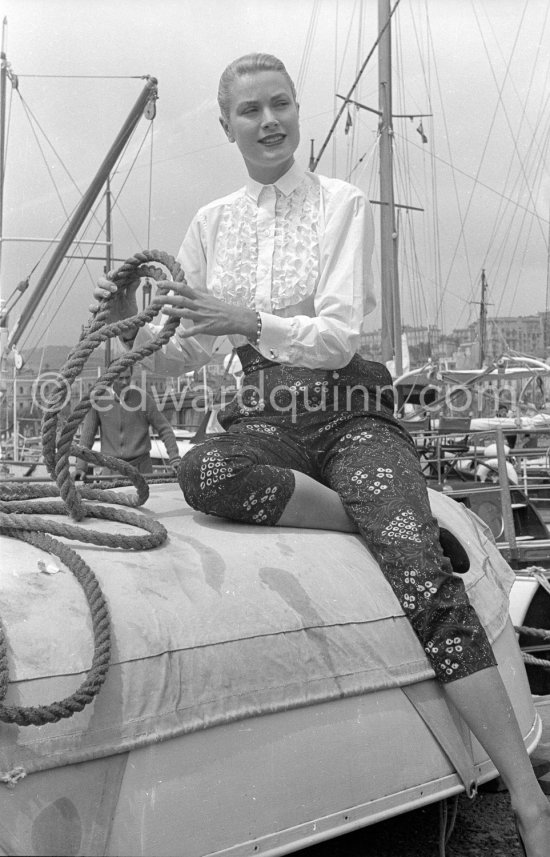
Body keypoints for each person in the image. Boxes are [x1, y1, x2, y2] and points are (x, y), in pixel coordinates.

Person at [94, 53, 549, 855]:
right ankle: (370, 519)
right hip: (263, 413)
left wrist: (247, 316)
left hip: (346, 407)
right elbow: (194, 355)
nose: (268, 122)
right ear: (227, 124)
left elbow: (339, 337)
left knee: (421, 581)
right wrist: (135, 333)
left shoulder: (342, 202)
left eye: (280, 105)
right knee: (208, 471)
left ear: (298, 110)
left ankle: (525, 794)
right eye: (250, 111)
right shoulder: (210, 223)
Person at [74, 363, 181, 477]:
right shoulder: (97, 400)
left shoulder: (143, 399)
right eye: (120, 378)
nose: (125, 382)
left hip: (142, 470)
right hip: (111, 471)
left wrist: (174, 458)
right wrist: (81, 467)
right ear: (111, 377)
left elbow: (164, 428)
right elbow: (87, 437)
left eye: (127, 377)